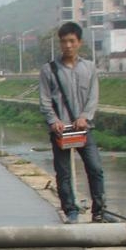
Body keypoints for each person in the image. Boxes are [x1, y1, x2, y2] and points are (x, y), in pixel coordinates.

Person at [38, 21, 106, 224]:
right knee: (64, 172)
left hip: (83, 129)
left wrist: (85, 116)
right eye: (63, 42)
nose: (67, 45)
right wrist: (53, 121)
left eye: (71, 41)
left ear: (79, 42)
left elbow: (93, 97)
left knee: (95, 168)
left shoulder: (89, 68)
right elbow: (45, 100)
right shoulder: (49, 70)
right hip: (61, 130)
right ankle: (70, 210)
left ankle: (99, 211)